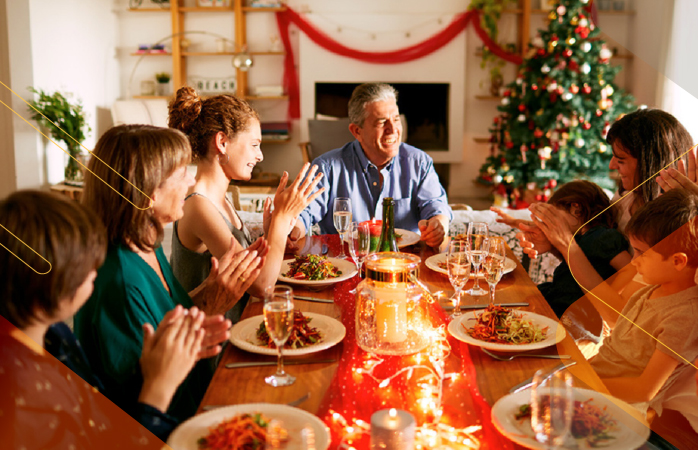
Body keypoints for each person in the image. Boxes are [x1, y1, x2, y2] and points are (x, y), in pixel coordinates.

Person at [75, 125, 265, 422]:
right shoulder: (119, 280)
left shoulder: (145, 246)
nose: (192, 181)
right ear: (147, 193)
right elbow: (141, 397)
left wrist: (212, 294)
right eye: (181, 174)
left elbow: (165, 321)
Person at [0, 190, 204, 446]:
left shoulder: (55, 336)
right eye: (82, 262)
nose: (96, 266)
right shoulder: (21, 394)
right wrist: (158, 387)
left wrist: (158, 364)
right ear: (44, 284)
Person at [168, 87, 323, 322]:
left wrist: (272, 231)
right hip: (217, 349)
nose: (260, 156)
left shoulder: (218, 199)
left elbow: (247, 266)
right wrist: (281, 219)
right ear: (222, 142)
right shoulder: (198, 206)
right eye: (254, 145)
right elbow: (261, 286)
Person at [292, 83, 452, 248]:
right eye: (382, 122)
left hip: (405, 263)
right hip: (344, 265)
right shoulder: (327, 167)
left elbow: (436, 207)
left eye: (396, 119)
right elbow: (303, 214)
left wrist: (439, 225)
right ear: (357, 131)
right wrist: (294, 231)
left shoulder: (419, 162)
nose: (393, 129)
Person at [586, 189, 698, 421]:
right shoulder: (649, 290)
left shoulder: (684, 316)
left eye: (640, 253)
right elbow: (615, 351)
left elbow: (645, 389)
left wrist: (581, 383)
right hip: (592, 383)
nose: (634, 261)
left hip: (621, 408)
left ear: (678, 261)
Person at [528, 181, 631, 341]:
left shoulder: (603, 236)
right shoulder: (583, 240)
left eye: (555, 215)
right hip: (560, 305)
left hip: (575, 319)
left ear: (576, 208)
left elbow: (630, 269)